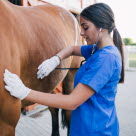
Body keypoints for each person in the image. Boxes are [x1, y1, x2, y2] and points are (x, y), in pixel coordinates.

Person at [4, 3, 124, 136]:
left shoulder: (106, 58)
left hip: (95, 130)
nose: (81, 33)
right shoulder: (97, 49)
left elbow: (72, 102)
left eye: (85, 27)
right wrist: (55, 59)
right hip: (84, 126)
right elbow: (72, 48)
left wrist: (25, 92)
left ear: (101, 27)